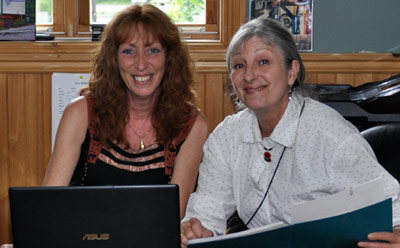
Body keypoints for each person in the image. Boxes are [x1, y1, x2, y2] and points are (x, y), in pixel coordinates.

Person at [180, 17, 400, 248]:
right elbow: (207, 213)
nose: (249, 75)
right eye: (239, 65)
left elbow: (394, 208)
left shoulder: (330, 135)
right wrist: (195, 230)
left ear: (291, 72)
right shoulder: (226, 137)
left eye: (263, 62)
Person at [3, 4, 208, 248]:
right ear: (113, 59)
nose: (141, 64)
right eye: (129, 51)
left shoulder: (192, 124)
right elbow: (50, 208)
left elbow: (171, 220)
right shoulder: (80, 113)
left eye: (153, 50)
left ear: (169, 58)